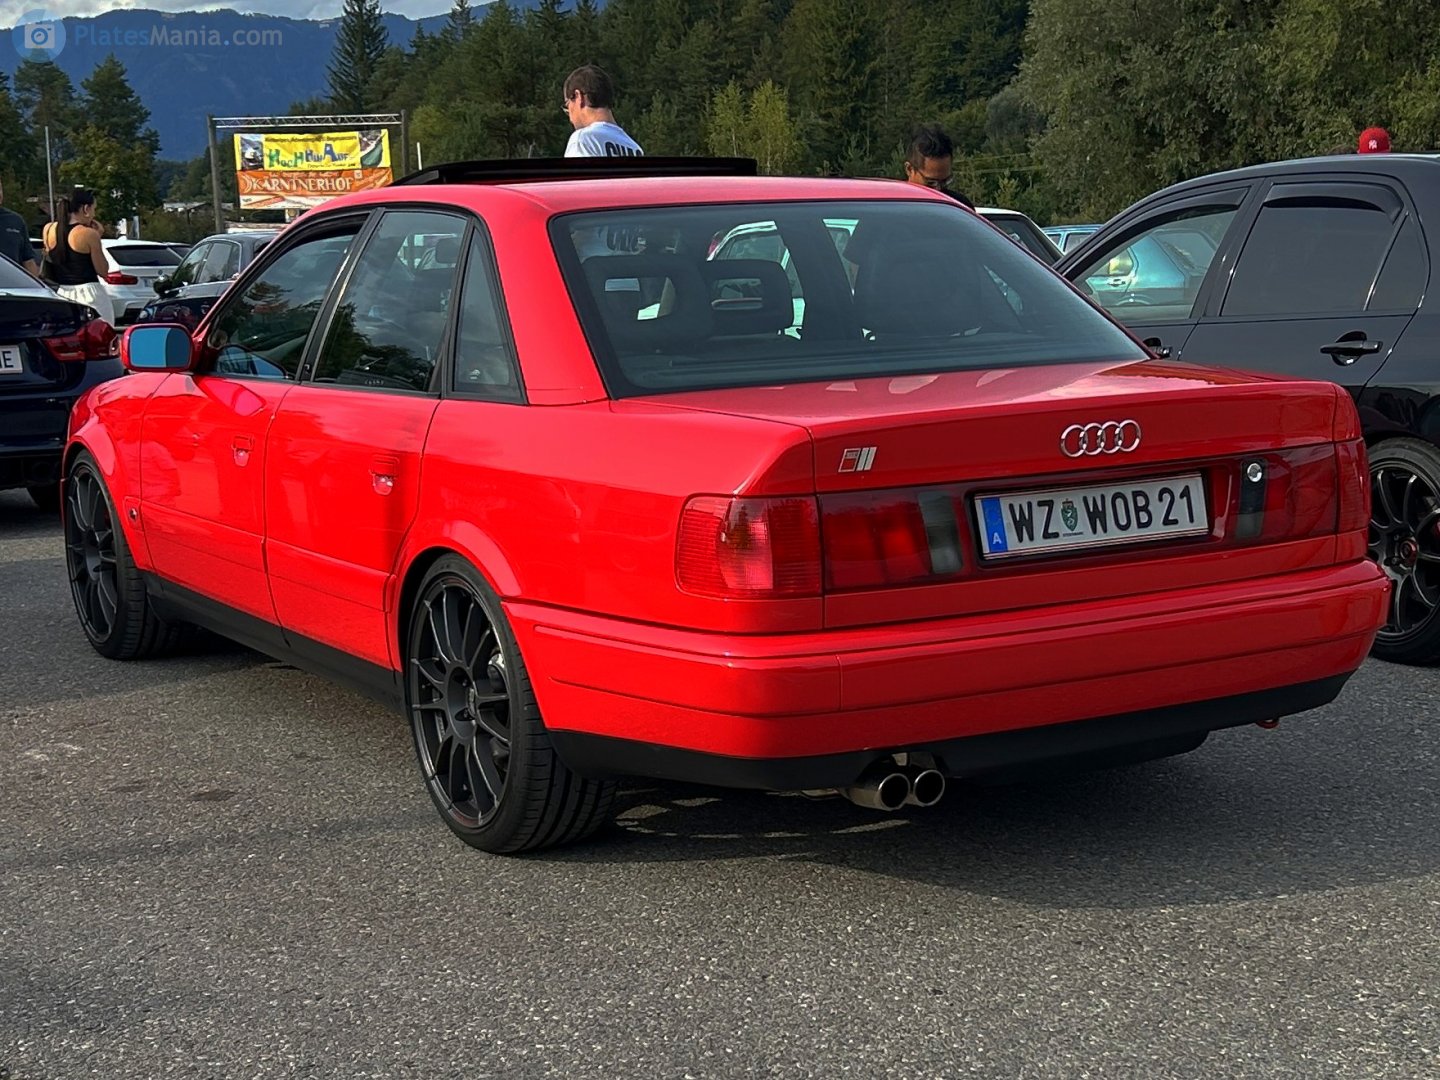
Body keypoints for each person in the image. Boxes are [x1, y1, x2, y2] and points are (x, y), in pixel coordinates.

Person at [41, 187, 110, 315]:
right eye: (94, 209)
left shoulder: (48, 229)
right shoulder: (89, 234)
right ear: (86, 209)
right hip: (89, 294)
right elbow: (103, 271)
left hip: (62, 293)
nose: (94, 214)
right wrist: (97, 236)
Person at [563, 65, 643, 158]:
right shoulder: (635, 149)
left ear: (578, 97)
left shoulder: (583, 140)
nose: (570, 119)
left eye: (567, 105)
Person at [903, 124, 974, 209]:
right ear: (909, 169)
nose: (938, 190)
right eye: (931, 183)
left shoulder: (960, 207)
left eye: (945, 181)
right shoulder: (892, 206)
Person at [0, 179, 40, 277]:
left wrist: (37, 289)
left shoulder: (15, 221)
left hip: (12, 288)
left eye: (0, 188)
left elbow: (28, 261)